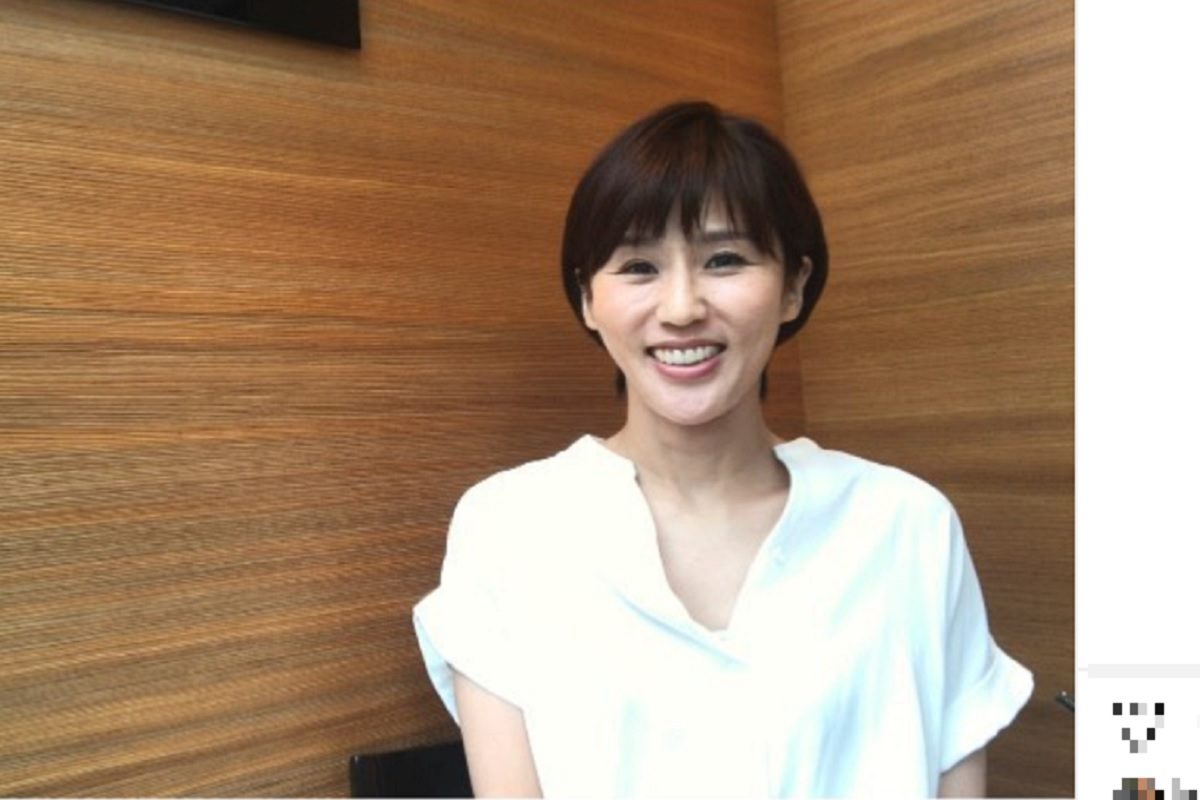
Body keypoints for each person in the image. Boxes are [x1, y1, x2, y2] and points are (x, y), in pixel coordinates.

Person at [413, 100, 1033, 798]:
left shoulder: (907, 525)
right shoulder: (509, 527)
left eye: (725, 259)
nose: (681, 308)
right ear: (588, 298)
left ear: (793, 286)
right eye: (639, 266)